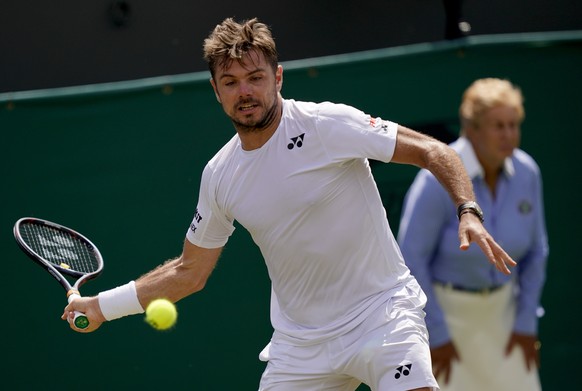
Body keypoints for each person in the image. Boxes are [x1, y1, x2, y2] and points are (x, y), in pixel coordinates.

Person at [62, 19, 517, 391]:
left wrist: (468, 211)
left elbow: (433, 151)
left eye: (256, 78)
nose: (245, 92)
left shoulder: (327, 124)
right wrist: (102, 306)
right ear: (216, 91)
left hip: (382, 314)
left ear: (278, 78)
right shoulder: (219, 175)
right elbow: (189, 272)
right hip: (301, 346)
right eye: (231, 82)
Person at [397, 78, 548, 391]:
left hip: (507, 319)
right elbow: (411, 257)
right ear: (472, 129)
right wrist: (436, 334)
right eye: (498, 126)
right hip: (447, 321)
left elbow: (537, 251)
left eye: (513, 125)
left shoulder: (528, 172)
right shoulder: (435, 179)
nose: (509, 135)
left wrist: (525, 323)